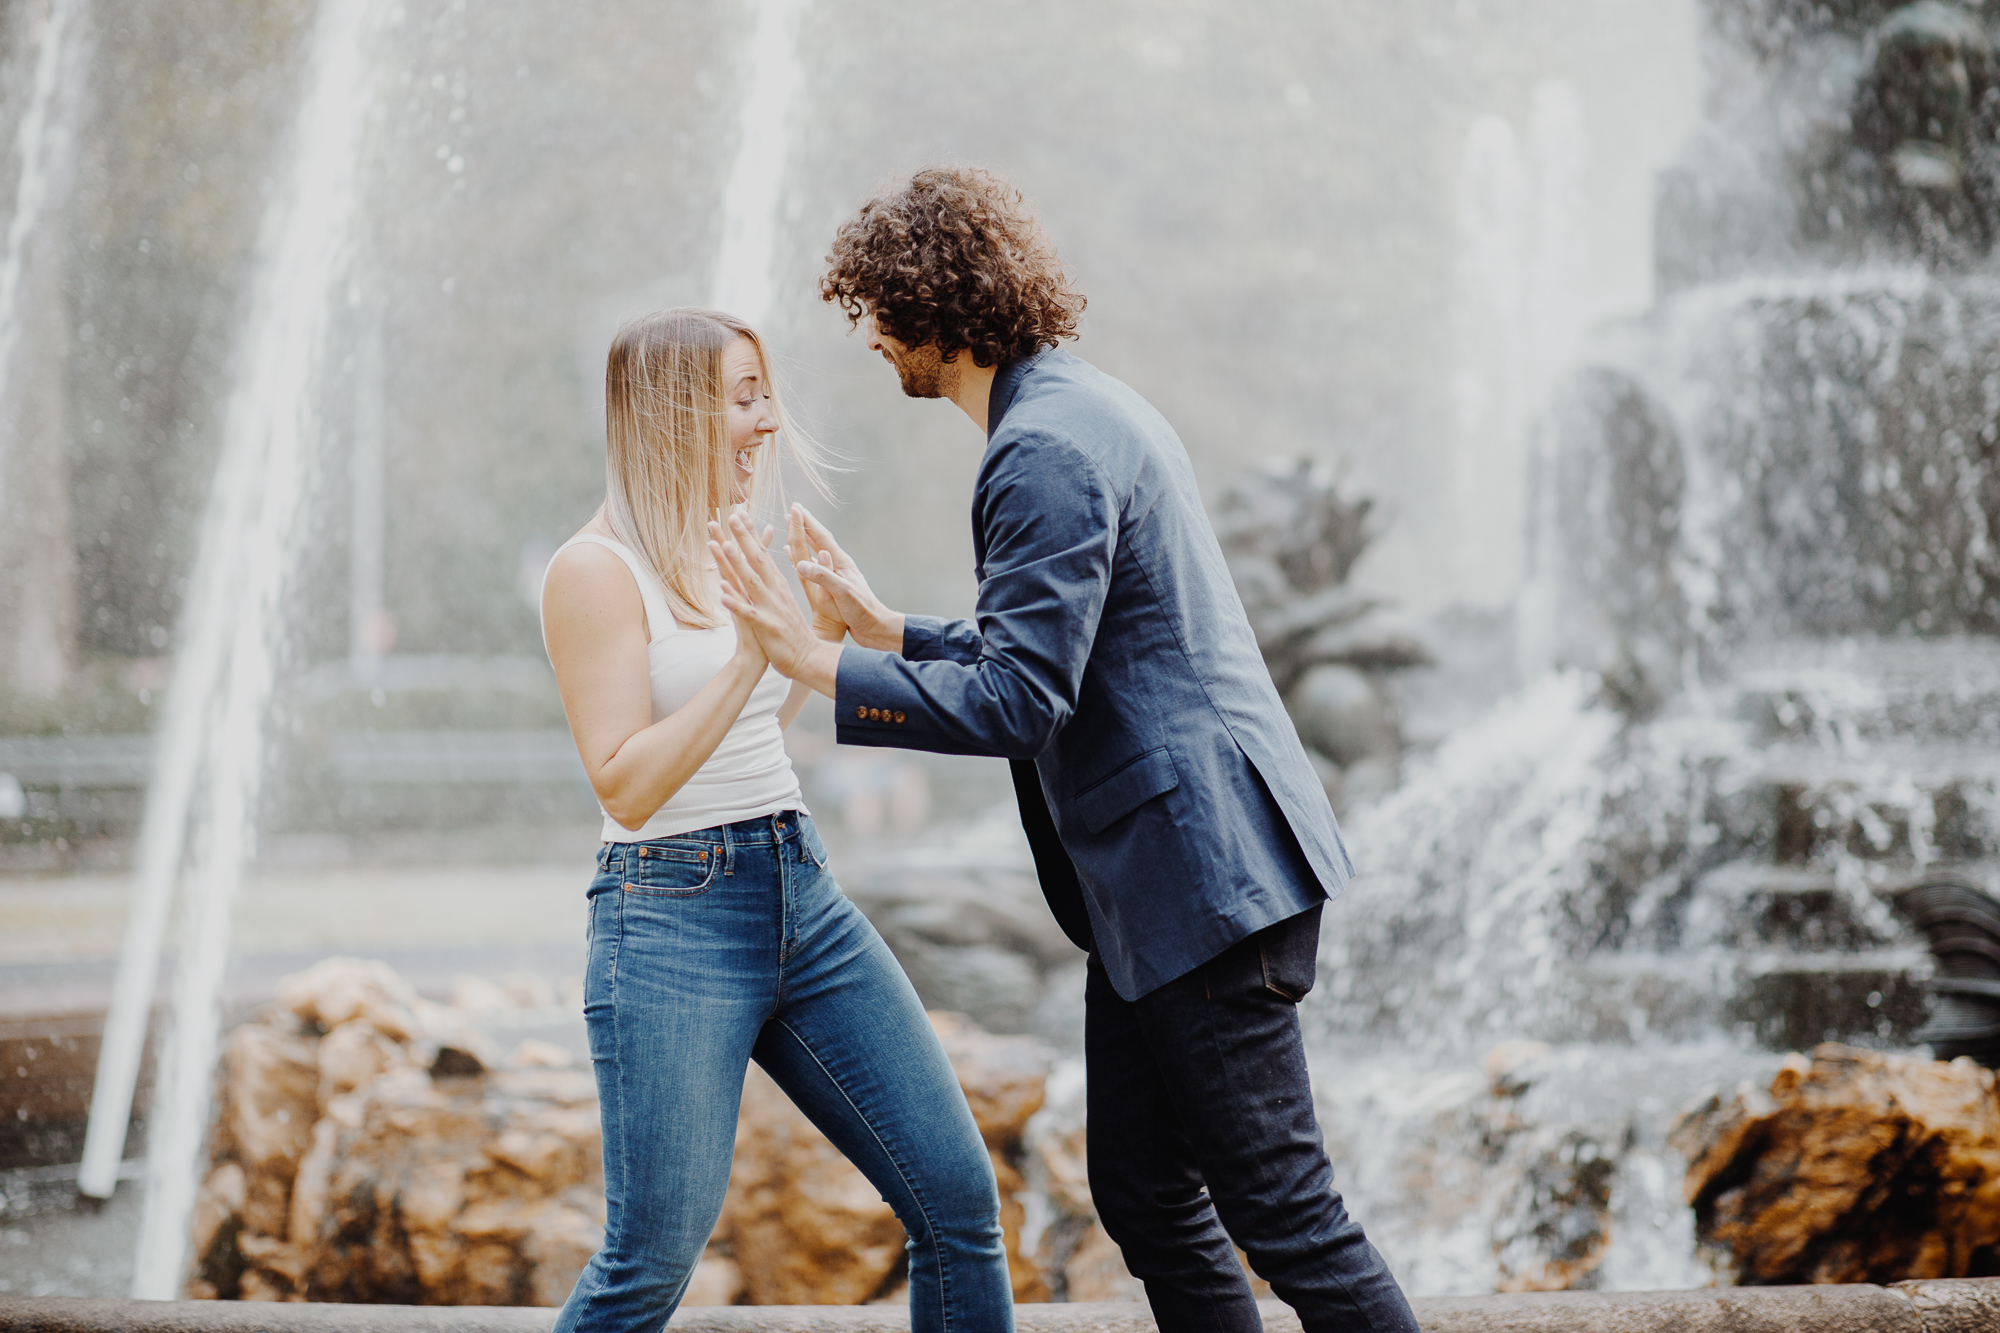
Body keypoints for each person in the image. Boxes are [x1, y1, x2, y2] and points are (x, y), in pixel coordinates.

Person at [711, 169, 1419, 1333]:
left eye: (878, 314)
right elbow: (1077, 648)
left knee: (1288, 1216)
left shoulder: (1036, 450)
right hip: (1179, 885)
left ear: (931, 308)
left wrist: (815, 661)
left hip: (1200, 884)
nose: (876, 341)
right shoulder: (1081, 407)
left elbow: (1019, 701)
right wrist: (894, 632)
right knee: (1141, 1192)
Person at [540, 306, 1014, 1333]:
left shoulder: (727, 550)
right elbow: (625, 782)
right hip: (667, 915)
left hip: (799, 888)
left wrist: (819, 644)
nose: (767, 423)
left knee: (957, 1202)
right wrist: (763, 653)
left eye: (764, 393)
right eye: (742, 398)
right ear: (673, 415)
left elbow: (746, 730)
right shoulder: (592, 571)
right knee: (650, 1256)